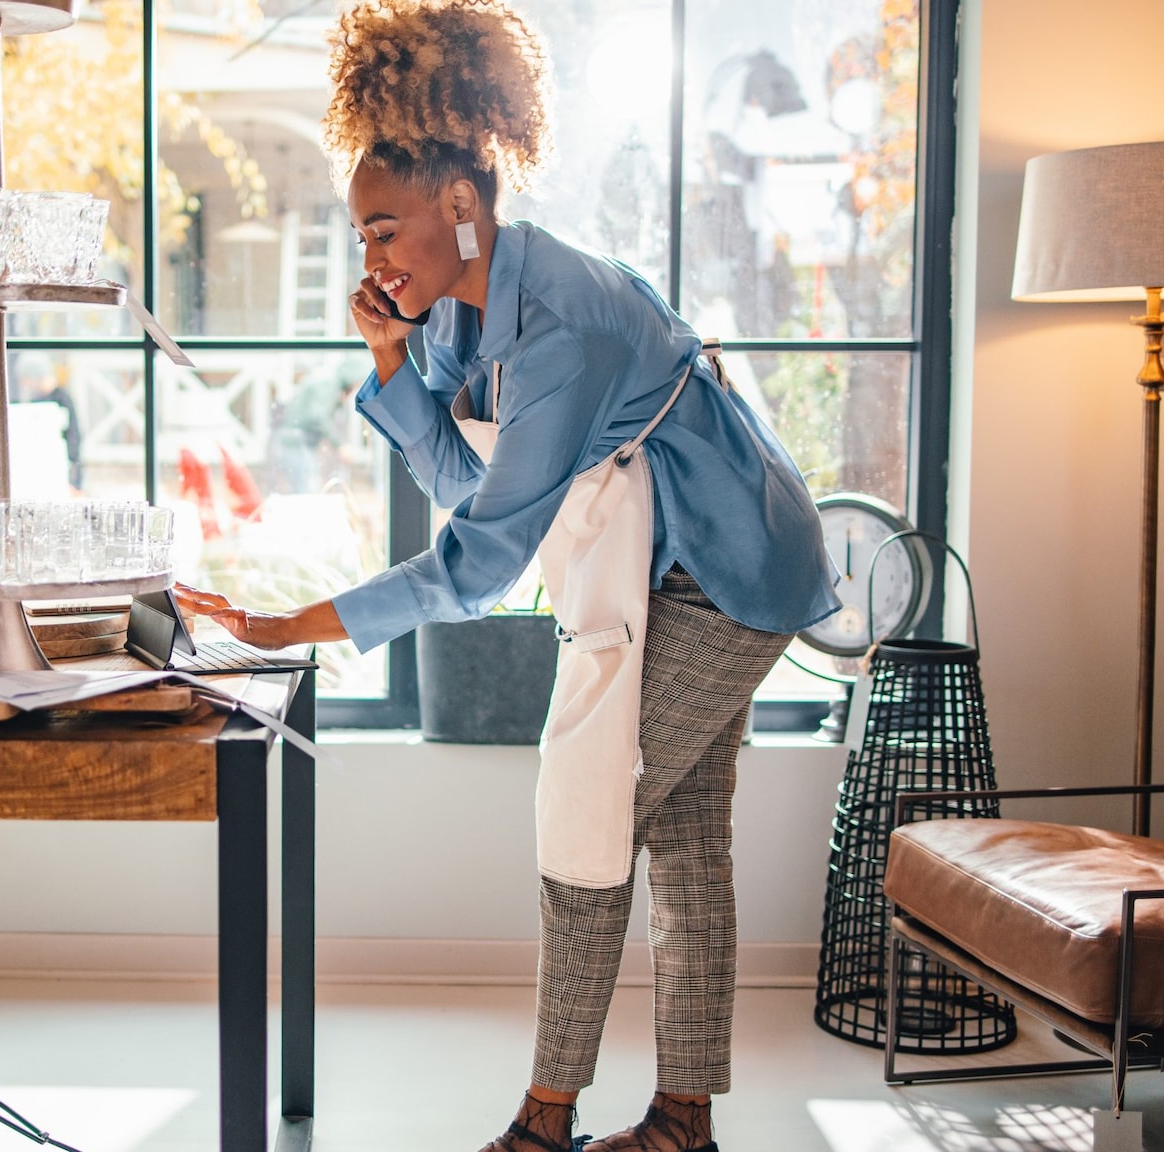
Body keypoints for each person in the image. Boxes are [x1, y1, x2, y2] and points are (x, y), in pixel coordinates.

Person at [174, 2, 839, 1149]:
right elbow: (458, 486)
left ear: (461, 205)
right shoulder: (452, 313)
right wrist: (391, 364)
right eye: (361, 238)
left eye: (384, 231)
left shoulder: (561, 325)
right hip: (648, 560)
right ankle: (682, 1123)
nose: (370, 260)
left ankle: (544, 1120)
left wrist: (293, 624)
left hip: (729, 566)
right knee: (682, 837)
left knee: (590, 818)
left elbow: (481, 561)